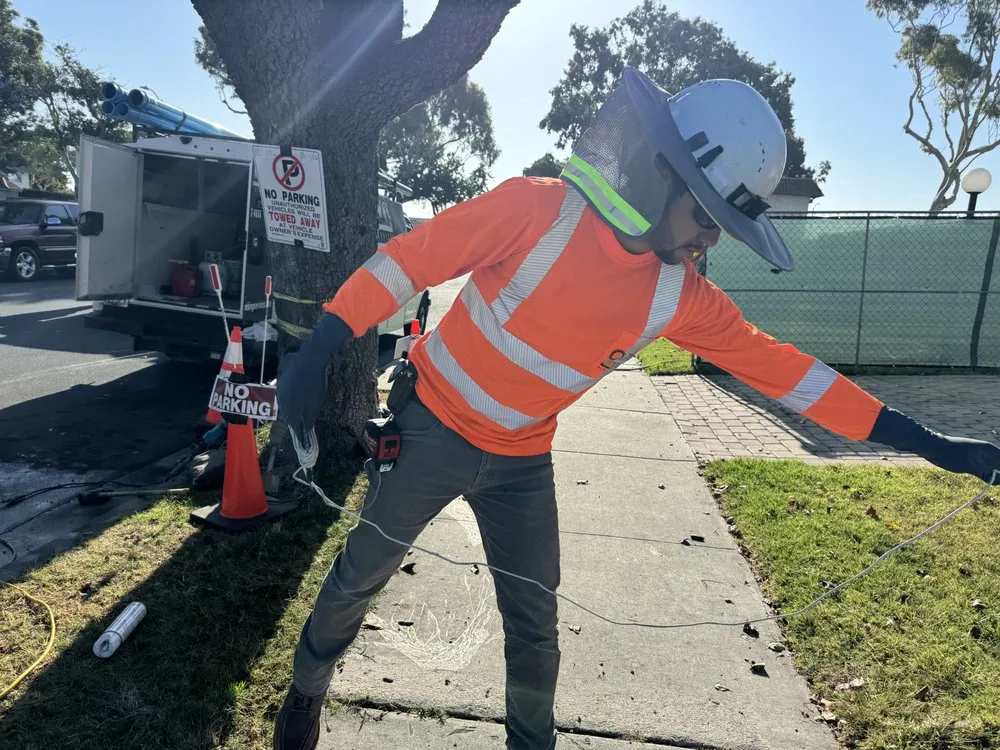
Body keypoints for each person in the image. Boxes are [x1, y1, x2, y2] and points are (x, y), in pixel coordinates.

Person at [272, 67, 1000, 750]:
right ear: (663, 176)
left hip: (522, 459)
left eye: (723, 226)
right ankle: (307, 689)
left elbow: (789, 373)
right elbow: (411, 260)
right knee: (359, 576)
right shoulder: (537, 210)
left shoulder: (677, 295)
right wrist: (321, 346)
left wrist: (922, 440)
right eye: (705, 215)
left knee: (535, 626)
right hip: (430, 426)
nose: (711, 239)